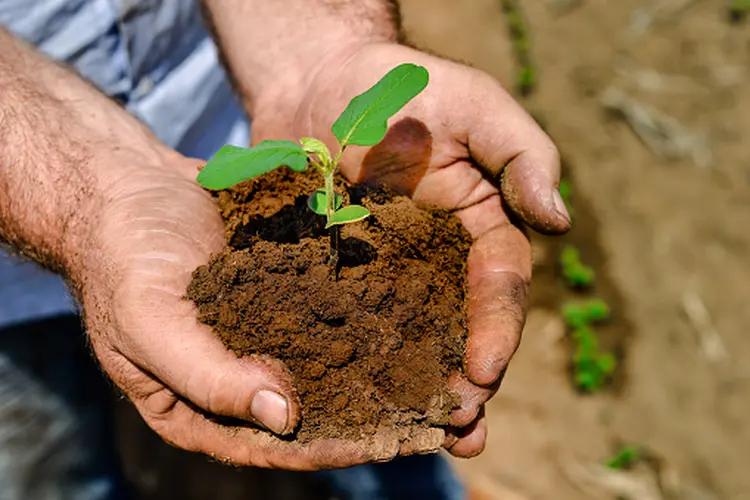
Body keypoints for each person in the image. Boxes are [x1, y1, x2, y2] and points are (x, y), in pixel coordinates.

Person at [0, 0, 570, 498]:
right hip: (12, 276)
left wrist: (324, 56)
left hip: (222, 131)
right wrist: (82, 203)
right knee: (48, 468)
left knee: (393, 439)